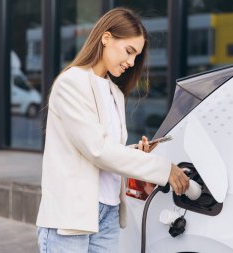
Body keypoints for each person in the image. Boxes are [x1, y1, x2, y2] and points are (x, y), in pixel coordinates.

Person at [36, 7, 190, 253]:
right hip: (71, 216)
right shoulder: (71, 83)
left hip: (107, 213)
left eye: (136, 56)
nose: (131, 62)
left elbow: (104, 148)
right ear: (106, 38)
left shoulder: (114, 93)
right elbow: (97, 150)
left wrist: (136, 153)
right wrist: (164, 169)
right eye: (129, 51)